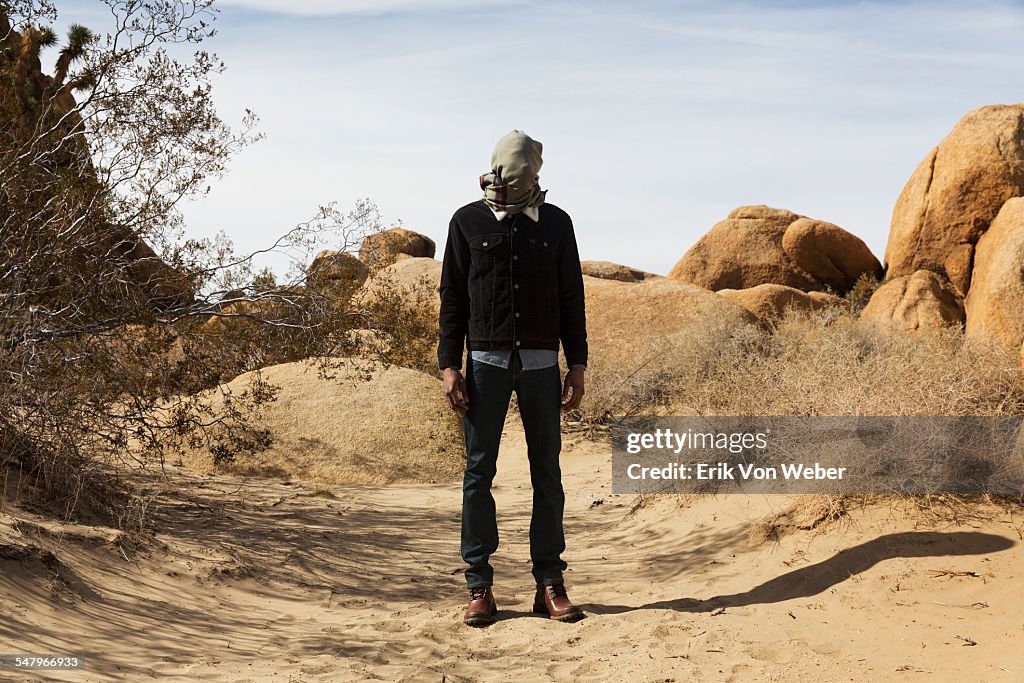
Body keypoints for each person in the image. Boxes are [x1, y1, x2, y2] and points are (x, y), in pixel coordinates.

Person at [438, 129, 588, 627]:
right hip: (485, 363)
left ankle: (550, 584)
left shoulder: (557, 223)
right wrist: (449, 364)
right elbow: (453, 298)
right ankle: (479, 585)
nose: (515, 183)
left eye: (525, 176)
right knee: (479, 472)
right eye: (509, 174)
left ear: (536, 174)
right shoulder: (467, 221)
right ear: (496, 169)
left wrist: (578, 363)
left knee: (548, 472)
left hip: (544, 362)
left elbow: (571, 297)